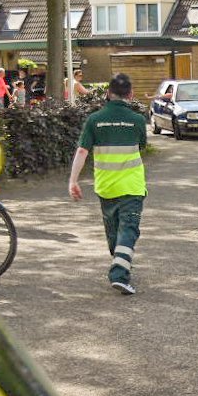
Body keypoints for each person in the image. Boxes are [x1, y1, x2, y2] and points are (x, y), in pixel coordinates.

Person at [67, 73, 148, 295]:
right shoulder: (138, 120)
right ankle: (119, 273)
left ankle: (120, 262)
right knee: (128, 229)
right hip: (132, 186)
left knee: (113, 231)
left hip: (106, 186)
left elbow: (82, 151)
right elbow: (141, 144)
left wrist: (73, 180)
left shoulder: (94, 120)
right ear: (130, 94)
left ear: (108, 93)